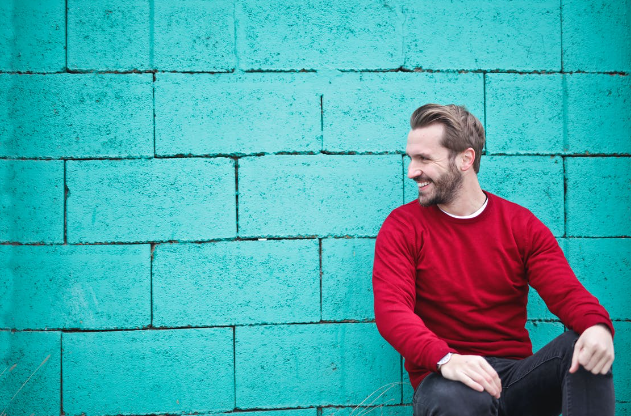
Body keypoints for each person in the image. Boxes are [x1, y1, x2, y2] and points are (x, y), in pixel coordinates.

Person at [372, 104, 615, 416]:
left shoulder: (520, 225)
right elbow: (392, 311)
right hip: (446, 379)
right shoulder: (404, 226)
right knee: (455, 399)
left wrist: (597, 326)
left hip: (515, 380)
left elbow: (566, 291)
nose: (412, 171)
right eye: (411, 158)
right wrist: (447, 359)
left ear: (465, 159)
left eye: (424, 159)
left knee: (583, 347)